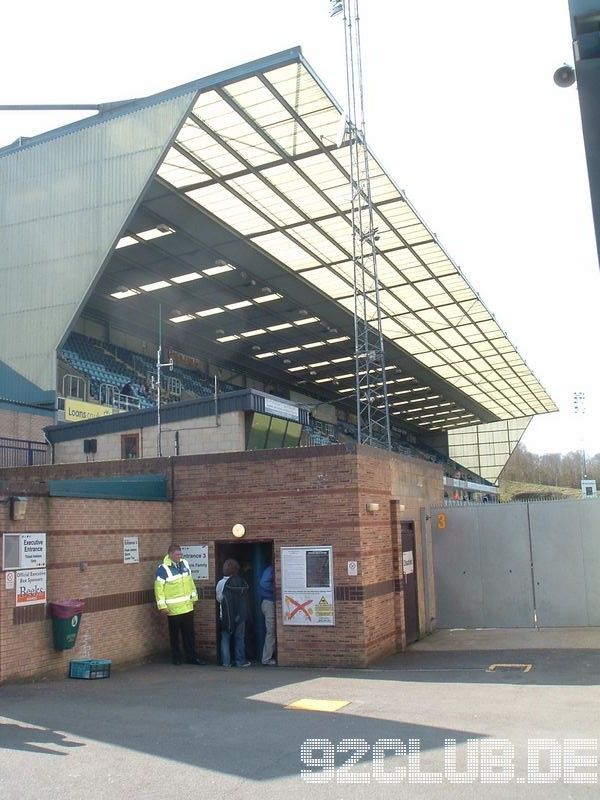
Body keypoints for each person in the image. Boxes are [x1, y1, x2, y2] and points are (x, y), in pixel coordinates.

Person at [154, 544, 204, 665]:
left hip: (187, 606)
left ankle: (191, 657)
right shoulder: (163, 568)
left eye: (180, 554)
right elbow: (158, 589)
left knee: (189, 634)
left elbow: (190, 581)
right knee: (175, 635)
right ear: (170, 554)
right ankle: (176, 658)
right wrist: (162, 607)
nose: (180, 556)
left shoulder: (185, 564)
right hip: (173, 609)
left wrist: (194, 597)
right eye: (177, 554)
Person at [216, 559, 251, 668]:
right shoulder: (241, 581)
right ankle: (240, 661)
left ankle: (226, 662)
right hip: (240, 615)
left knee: (225, 638)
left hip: (225, 616)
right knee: (239, 638)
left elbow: (219, 599)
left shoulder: (221, 583)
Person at [259, 563, 276, 666]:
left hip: (267, 602)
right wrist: (275, 590)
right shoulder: (271, 569)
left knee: (271, 631)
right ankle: (266, 659)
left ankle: (268, 657)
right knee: (271, 631)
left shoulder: (269, 569)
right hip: (269, 602)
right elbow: (263, 583)